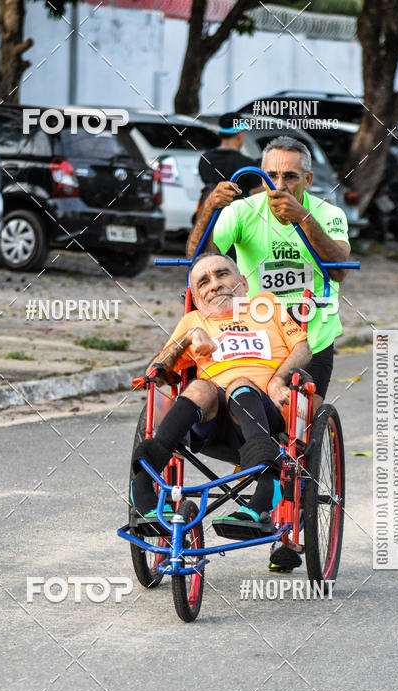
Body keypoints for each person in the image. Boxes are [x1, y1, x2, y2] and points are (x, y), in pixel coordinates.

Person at [186, 135, 351, 571]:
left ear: (308, 179)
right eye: (271, 174)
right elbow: (198, 264)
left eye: (290, 176)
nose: (278, 184)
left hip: (309, 342)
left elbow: (338, 269)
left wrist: (303, 221)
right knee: (253, 426)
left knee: (298, 430)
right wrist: (209, 209)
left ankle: (291, 535)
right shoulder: (243, 212)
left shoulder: (328, 214)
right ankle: (262, 479)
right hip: (253, 344)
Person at [129, 252, 312, 542]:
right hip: (213, 424)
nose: (213, 284)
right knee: (200, 387)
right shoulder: (193, 320)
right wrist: (189, 338)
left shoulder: (267, 307)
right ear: (197, 297)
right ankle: (143, 483)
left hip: (266, 413)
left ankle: (264, 493)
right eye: (203, 282)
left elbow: (303, 349)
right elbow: (158, 372)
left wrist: (279, 379)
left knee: (241, 385)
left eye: (222, 274)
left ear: (242, 282)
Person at [197, 113, 261, 205]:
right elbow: (258, 194)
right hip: (237, 217)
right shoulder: (247, 165)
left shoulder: (205, 159)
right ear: (240, 135)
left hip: (210, 214)